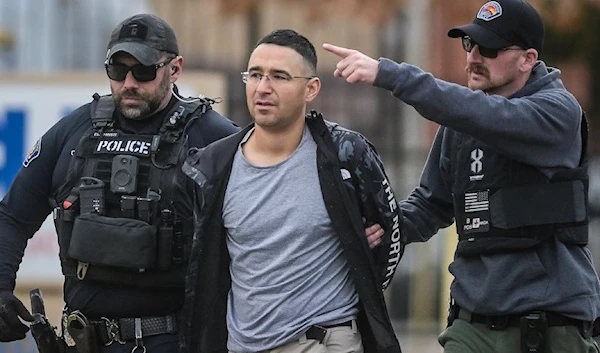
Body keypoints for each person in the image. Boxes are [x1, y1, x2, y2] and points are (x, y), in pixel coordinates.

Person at [323, 0, 600, 352]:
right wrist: (386, 226)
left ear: (528, 59)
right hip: (472, 322)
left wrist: (389, 75)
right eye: (469, 45)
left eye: (489, 48)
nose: (472, 58)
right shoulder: (461, 124)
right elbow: (430, 205)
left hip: (550, 322)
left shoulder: (558, 112)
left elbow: (490, 116)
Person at [0, 13, 240, 353]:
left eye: (143, 71)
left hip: (172, 341)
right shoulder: (75, 131)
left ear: (175, 69)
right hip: (81, 340)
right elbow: (12, 217)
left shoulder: (212, 136)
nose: (128, 83)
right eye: (117, 71)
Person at [179, 29, 405, 353]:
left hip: (324, 340)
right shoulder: (214, 166)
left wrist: (362, 276)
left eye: (279, 77)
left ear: (311, 89)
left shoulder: (345, 154)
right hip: (243, 345)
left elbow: (388, 231)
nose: (263, 88)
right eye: (255, 75)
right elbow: (205, 268)